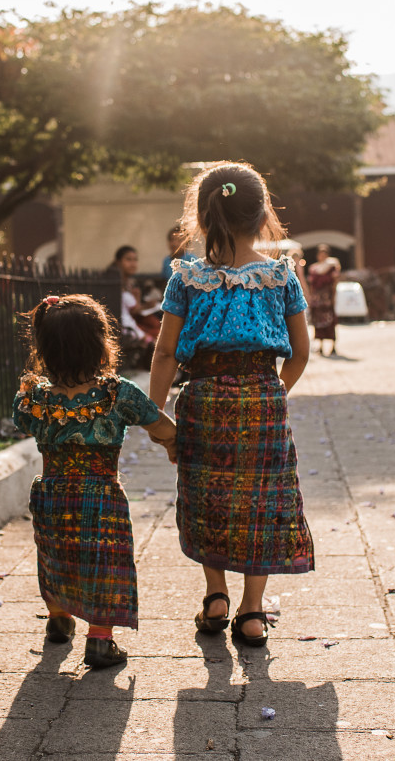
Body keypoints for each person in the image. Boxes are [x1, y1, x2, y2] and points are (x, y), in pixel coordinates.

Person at [149, 161, 313, 649]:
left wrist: (156, 415)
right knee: (261, 501)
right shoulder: (281, 277)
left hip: (202, 399)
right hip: (262, 397)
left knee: (208, 496)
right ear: (263, 216)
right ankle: (252, 611)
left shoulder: (186, 279)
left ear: (200, 217)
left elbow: (163, 353)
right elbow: (301, 352)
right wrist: (273, 393)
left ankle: (215, 595)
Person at [12, 294, 177, 668]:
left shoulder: (32, 398)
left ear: (43, 348)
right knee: (105, 564)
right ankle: (100, 640)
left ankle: (58, 619)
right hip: (101, 495)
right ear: (102, 343)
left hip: (52, 493)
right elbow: (161, 425)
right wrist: (172, 443)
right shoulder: (117, 393)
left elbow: (22, 423)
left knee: (56, 555)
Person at [112, 245, 160, 367]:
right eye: (128, 259)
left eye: (135, 260)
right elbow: (133, 311)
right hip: (124, 326)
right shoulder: (115, 283)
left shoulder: (128, 282)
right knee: (155, 329)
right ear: (118, 262)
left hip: (131, 322)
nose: (133, 264)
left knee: (156, 324)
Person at [306, 244, 341, 356]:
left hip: (327, 299)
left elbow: (334, 282)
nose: (322, 256)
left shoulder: (332, 266)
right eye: (320, 254)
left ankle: (333, 347)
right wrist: (311, 297)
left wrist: (334, 297)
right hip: (317, 300)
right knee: (318, 323)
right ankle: (320, 346)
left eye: (324, 254)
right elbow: (312, 285)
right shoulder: (314, 268)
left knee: (330, 322)